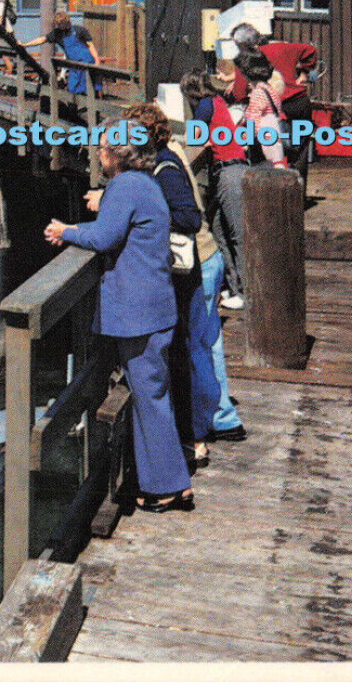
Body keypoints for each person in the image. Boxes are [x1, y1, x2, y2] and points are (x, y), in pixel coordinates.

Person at [44, 132, 193, 511]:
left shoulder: (126, 185)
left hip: (141, 311)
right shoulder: (141, 183)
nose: (97, 153)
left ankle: (172, 487)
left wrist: (67, 231)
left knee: (151, 398)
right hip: (152, 307)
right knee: (149, 395)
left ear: (118, 155)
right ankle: (160, 482)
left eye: (103, 149)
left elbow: (107, 235)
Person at [125, 102, 230, 465]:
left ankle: (197, 434)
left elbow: (189, 216)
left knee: (188, 351)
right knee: (196, 348)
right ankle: (206, 426)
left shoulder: (165, 167)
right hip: (196, 266)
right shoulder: (162, 159)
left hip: (192, 267)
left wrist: (141, 215)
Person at [177, 73, 248, 439]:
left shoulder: (205, 105)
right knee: (221, 234)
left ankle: (244, 291)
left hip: (229, 171)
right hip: (227, 168)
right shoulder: (218, 101)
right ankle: (235, 289)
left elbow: (196, 138)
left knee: (234, 235)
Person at [228, 23, 318, 179]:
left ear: (242, 44)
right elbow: (310, 50)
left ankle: (268, 192)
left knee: (261, 150)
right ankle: (297, 194)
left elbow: (239, 94)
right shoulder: (283, 47)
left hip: (270, 109)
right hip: (297, 102)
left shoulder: (246, 59)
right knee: (299, 150)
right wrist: (303, 73)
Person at [22, 10, 99, 96]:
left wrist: (96, 60)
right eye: (58, 24)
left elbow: (91, 46)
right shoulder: (57, 33)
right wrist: (26, 45)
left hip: (86, 63)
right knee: (71, 90)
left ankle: (94, 108)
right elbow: (42, 39)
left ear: (66, 21)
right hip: (73, 66)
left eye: (61, 23)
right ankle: (73, 109)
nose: (59, 25)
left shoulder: (80, 30)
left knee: (90, 90)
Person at [235, 49, 289, 170]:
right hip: (275, 146)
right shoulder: (269, 89)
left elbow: (253, 123)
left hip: (264, 150)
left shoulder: (258, 93)